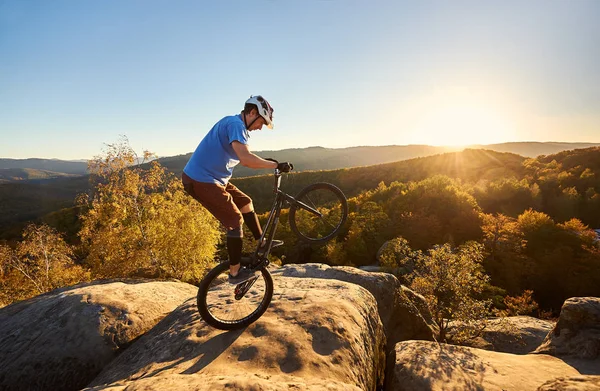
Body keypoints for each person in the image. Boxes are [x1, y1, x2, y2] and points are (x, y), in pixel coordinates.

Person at [182, 95, 293, 284]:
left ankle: (262, 242)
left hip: (215, 179)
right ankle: (234, 273)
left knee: (245, 203)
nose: (260, 127)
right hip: (200, 180)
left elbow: (246, 155)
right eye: (261, 122)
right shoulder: (236, 125)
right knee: (234, 220)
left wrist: (273, 164)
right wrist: (275, 164)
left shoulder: (237, 126)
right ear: (252, 113)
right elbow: (247, 159)